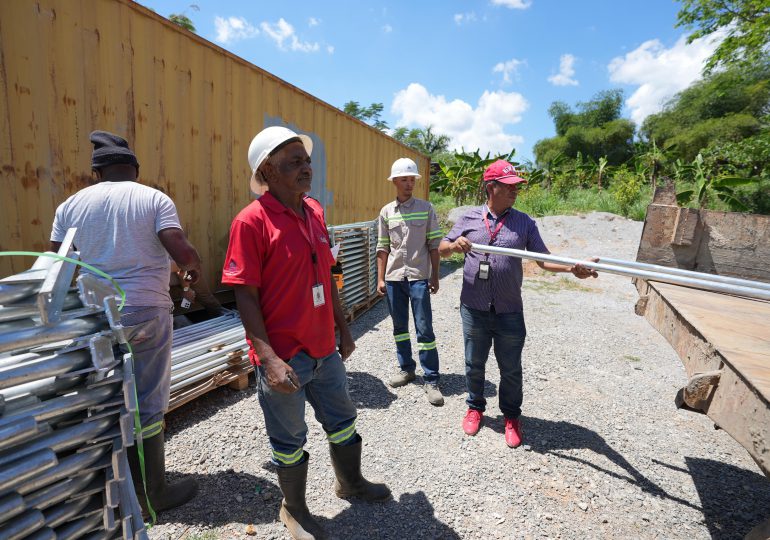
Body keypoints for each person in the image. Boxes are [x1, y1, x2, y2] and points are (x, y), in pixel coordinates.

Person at [221, 126, 390, 540]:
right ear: (267, 170)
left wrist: (344, 329)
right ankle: (293, 509)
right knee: (289, 437)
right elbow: (245, 298)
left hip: (324, 350)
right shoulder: (251, 221)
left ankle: (350, 482)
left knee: (343, 421)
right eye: (293, 162)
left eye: (306, 160)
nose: (306, 168)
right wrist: (269, 359)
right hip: (285, 356)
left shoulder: (313, 211)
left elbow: (327, 274)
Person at [50, 130, 202, 516]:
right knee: (148, 401)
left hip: (95, 318)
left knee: (104, 399)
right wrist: (191, 269)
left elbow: (56, 267)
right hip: (145, 313)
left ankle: (107, 489)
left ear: (97, 172)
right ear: (134, 169)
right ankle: (153, 496)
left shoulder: (69, 206)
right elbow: (182, 251)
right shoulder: (153, 199)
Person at [438, 159, 598, 448]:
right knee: (474, 363)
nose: (515, 192)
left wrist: (573, 268)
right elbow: (442, 250)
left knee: (510, 368)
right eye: (509, 187)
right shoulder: (469, 218)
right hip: (473, 307)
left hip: (509, 309)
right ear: (491, 187)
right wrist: (454, 244)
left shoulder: (524, 222)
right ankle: (475, 407)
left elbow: (545, 260)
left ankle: (511, 416)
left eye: (517, 187)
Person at [376, 158, 444, 406]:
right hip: (394, 278)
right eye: (403, 179)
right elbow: (382, 247)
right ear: (394, 181)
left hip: (417, 277)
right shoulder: (386, 212)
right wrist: (380, 278)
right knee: (399, 328)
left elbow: (434, 245)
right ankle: (407, 369)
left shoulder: (426, 208)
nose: (408, 183)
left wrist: (435, 275)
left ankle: (432, 378)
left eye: (411, 179)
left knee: (425, 329)